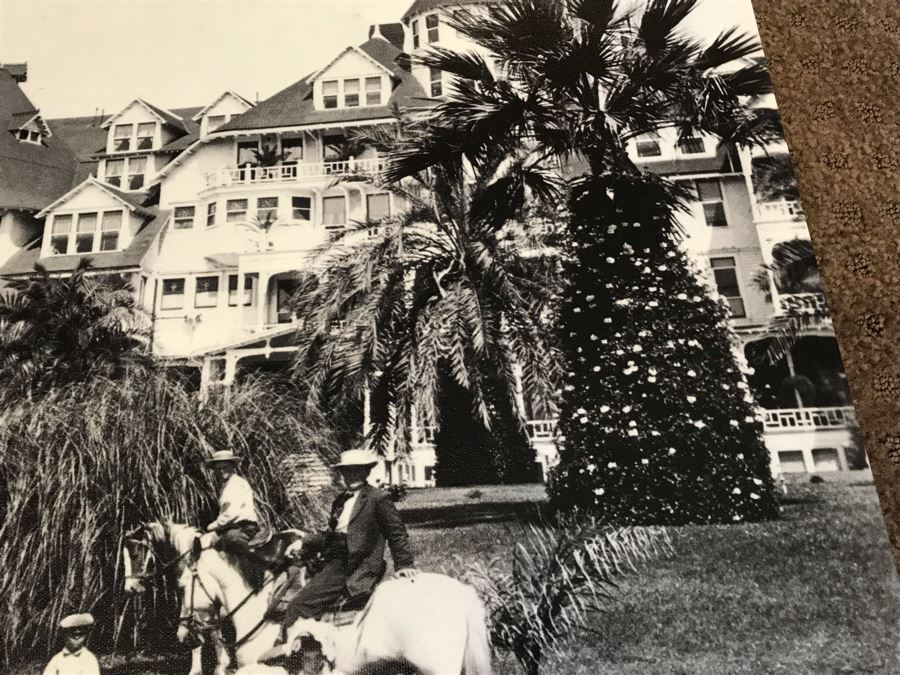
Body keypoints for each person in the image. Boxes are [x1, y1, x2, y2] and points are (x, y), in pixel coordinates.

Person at [282, 449, 418, 627]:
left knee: (299, 606)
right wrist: (303, 541)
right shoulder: (340, 500)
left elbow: (396, 533)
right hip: (334, 558)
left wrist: (404, 565)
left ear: (366, 472)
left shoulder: (378, 499)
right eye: (346, 471)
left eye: (356, 470)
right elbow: (331, 537)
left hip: (354, 564)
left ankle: (295, 653)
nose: (351, 475)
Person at [203, 450, 261, 559]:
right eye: (218, 469)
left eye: (224, 467)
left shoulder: (235, 484)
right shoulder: (226, 485)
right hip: (234, 526)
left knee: (230, 540)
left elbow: (231, 513)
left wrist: (214, 525)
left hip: (244, 527)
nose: (221, 471)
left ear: (232, 467)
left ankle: (248, 572)